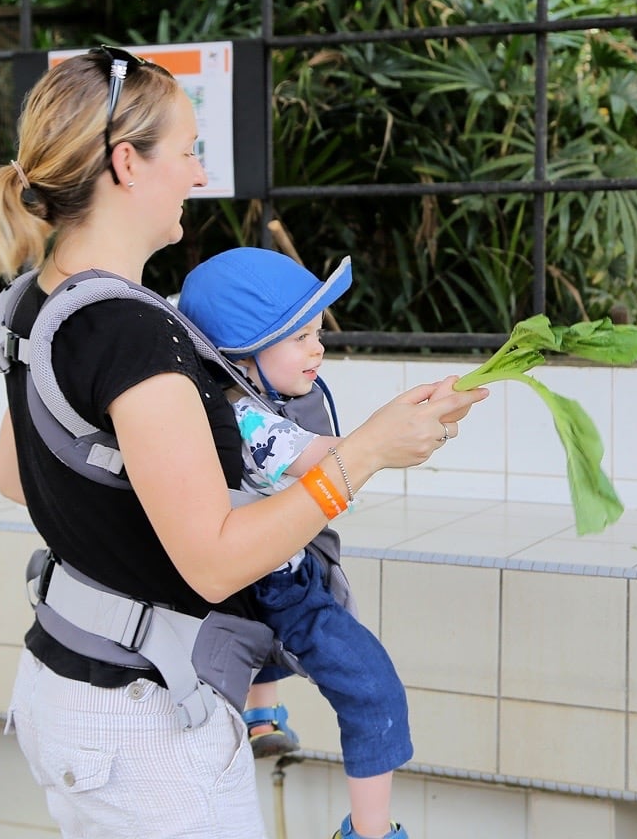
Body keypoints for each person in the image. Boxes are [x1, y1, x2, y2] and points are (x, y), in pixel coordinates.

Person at [0, 45, 488, 839]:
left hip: (63, 685)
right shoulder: (136, 336)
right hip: (145, 728)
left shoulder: (39, 301)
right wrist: (366, 452)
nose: (198, 174)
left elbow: (15, 475)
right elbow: (214, 557)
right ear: (126, 164)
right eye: (186, 151)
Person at [179, 245, 414, 839]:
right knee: (372, 687)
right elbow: (331, 461)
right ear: (243, 356)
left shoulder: (238, 404)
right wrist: (396, 430)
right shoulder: (249, 423)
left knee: (265, 633)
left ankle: (262, 717)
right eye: (299, 337)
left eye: (316, 333)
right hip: (271, 583)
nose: (319, 348)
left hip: (250, 575)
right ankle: (369, 831)